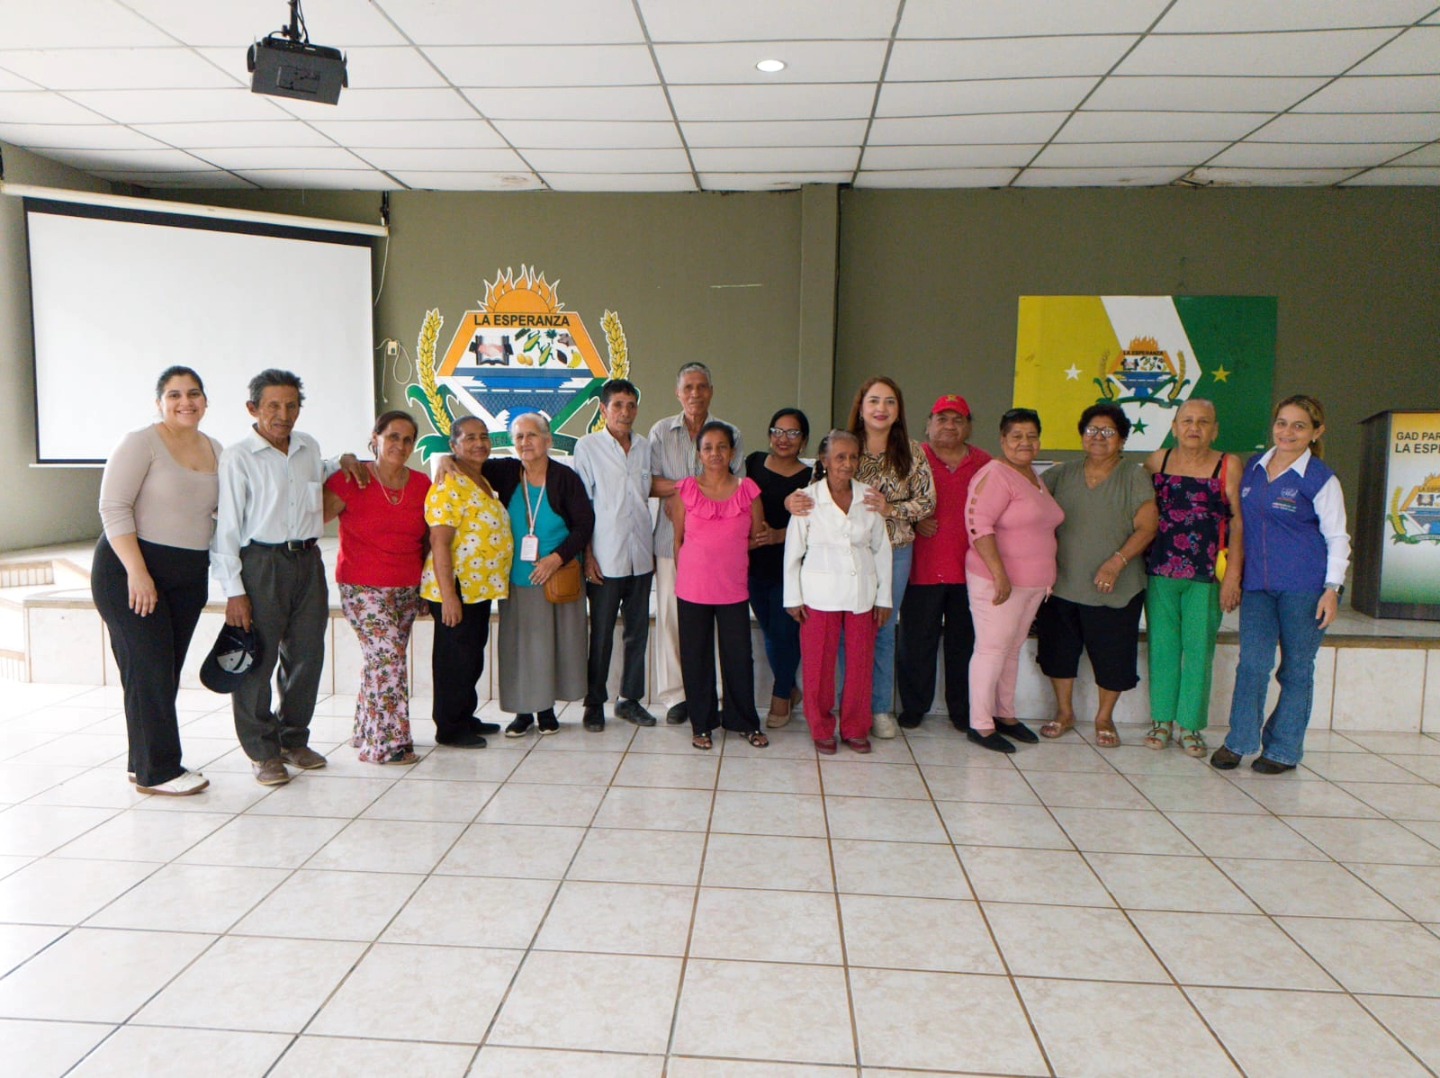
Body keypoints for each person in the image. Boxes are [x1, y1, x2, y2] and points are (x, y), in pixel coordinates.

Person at [213, 369, 358, 787]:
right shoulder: (238, 457)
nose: (283, 414)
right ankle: (262, 751)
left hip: (307, 562)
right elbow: (226, 529)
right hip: (261, 564)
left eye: (291, 405)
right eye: (273, 406)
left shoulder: (308, 447)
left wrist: (344, 460)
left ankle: (293, 739)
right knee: (257, 661)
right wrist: (234, 591)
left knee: (307, 655)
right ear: (253, 409)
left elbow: (321, 470)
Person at [92, 366, 222, 795]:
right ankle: (161, 771)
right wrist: (138, 573)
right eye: (174, 395)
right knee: (149, 669)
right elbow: (113, 507)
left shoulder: (216, 449)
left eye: (194, 393)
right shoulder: (140, 443)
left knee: (161, 673)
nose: (185, 402)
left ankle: (142, 762)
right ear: (159, 403)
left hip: (187, 576)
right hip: (130, 572)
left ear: (205, 401)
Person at [785, 377, 935, 739]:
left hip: (887, 558)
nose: (881, 408)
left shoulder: (909, 453)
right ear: (862, 407)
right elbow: (807, 508)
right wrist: (790, 500)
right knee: (831, 648)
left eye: (890, 401)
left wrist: (891, 509)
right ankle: (832, 718)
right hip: (829, 576)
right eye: (874, 401)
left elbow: (925, 504)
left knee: (875, 639)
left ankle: (871, 713)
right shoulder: (840, 448)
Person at [1213, 395, 1350, 774]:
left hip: (1305, 589)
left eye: (1299, 426)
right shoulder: (1254, 467)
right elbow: (1240, 524)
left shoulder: (1321, 479)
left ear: (1316, 432)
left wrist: (1332, 589)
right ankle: (1239, 741)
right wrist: (1235, 576)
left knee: (1296, 670)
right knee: (1252, 665)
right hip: (1259, 586)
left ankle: (1284, 750)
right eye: (1282, 423)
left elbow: (1338, 537)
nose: (1287, 432)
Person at [1036, 404, 1158, 748]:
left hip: (1116, 587)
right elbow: (1029, 508)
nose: (1098, 437)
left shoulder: (1134, 476)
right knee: (1058, 652)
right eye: (1092, 430)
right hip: (1062, 583)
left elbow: (1148, 527)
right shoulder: (1061, 474)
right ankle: (1064, 712)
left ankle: (1104, 718)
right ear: (1081, 435)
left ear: (1122, 439)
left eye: (1108, 431)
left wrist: (1116, 562)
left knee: (1113, 656)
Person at [324, 411, 431, 765]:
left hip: (407, 588)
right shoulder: (350, 478)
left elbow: (429, 539)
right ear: (375, 438)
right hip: (362, 586)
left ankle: (365, 729)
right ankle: (388, 745)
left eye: (407, 439)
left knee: (382, 661)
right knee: (388, 658)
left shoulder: (422, 484)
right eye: (393, 436)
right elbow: (308, 516)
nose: (400, 444)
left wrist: (427, 590)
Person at [1142, 399, 1244, 758]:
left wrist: (1233, 576)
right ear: (1174, 427)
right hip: (1160, 570)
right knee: (1162, 648)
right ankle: (1161, 721)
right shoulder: (1158, 461)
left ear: (1215, 430)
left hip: (1206, 573)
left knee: (1199, 651)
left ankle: (1190, 725)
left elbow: (1238, 522)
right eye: (1186, 421)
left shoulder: (1228, 464)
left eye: (1203, 422)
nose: (1194, 427)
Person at [783, 430, 892, 754]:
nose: (847, 463)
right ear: (825, 460)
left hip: (861, 592)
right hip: (819, 594)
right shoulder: (807, 498)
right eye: (840, 457)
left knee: (860, 664)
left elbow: (881, 550)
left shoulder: (869, 497)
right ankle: (821, 728)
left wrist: (884, 598)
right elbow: (793, 552)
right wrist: (793, 598)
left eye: (853, 457)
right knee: (818, 665)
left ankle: (856, 727)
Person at [964, 409, 1066, 754]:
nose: (1025, 442)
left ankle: (1004, 714)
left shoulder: (1033, 476)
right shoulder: (994, 474)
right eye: (1017, 436)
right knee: (991, 650)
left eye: (1032, 436)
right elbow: (978, 525)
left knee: (1010, 650)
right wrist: (999, 574)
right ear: (1002, 439)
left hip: (1032, 585)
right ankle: (980, 724)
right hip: (999, 582)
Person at [648, 363, 744, 726]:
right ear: (678, 393)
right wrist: (687, 490)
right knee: (672, 619)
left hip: (718, 548)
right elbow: (649, 482)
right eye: (688, 387)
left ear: (711, 391)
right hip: (670, 541)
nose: (695, 393)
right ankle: (677, 696)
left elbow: (738, 485)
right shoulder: (661, 432)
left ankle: (711, 694)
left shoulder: (730, 433)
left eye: (702, 386)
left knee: (718, 624)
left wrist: (687, 492)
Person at [492, 413, 595, 737]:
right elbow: (466, 462)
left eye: (532, 435)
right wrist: (447, 462)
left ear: (548, 441)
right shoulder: (507, 472)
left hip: (558, 577)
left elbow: (584, 524)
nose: (525, 442)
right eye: (519, 437)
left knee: (553, 647)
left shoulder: (565, 478)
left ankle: (547, 710)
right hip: (519, 578)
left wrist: (556, 558)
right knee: (521, 648)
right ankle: (523, 712)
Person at [897, 394, 992, 732]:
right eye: (942, 418)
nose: (949, 426)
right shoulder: (911, 459)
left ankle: (962, 710)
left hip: (971, 572)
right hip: (920, 570)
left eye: (957, 419)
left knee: (963, 645)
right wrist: (914, 519)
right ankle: (914, 707)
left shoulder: (985, 463)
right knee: (915, 643)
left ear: (969, 427)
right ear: (928, 424)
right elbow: (889, 503)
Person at [671, 420, 767, 751]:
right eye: (708, 447)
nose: (715, 453)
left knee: (739, 656)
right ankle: (702, 724)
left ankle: (745, 721)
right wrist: (688, 573)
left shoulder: (748, 490)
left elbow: (756, 536)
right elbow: (678, 540)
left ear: (732, 452)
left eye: (722, 447)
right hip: (692, 588)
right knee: (696, 657)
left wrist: (728, 551)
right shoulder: (685, 490)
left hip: (732, 587)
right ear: (699, 454)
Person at [419, 417, 513, 749]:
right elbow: (440, 542)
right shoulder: (449, 483)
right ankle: (449, 727)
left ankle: (465, 715)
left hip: (479, 588)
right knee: (453, 660)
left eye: (483, 437)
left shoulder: (481, 478)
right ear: (454, 445)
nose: (479, 443)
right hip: (456, 586)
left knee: (470, 655)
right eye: (470, 438)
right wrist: (449, 598)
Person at [575, 379, 657, 732]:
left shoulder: (645, 447)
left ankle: (630, 700)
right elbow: (582, 506)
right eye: (618, 405)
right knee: (602, 634)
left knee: (637, 633)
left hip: (641, 556)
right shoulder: (588, 446)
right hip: (605, 558)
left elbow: (650, 490)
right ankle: (594, 703)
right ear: (603, 409)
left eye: (631, 405)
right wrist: (587, 555)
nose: (625, 412)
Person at [746, 407, 813, 728]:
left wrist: (778, 535)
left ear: (804, 440)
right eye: (778, 431)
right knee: (771, 631)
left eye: (793, 433)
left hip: (793, 565)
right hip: (754, 563)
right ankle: (790, 689)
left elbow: (817, 524)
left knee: (784, 632)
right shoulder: (753, 463)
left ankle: (781, 696)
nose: (783, 439)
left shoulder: (811, 477)